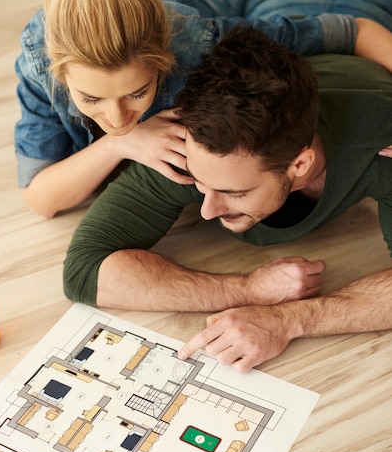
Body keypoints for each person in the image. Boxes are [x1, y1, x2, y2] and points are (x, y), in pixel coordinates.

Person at [63, 25, 392, 372]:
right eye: (202, 185)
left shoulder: (382, 145)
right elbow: (84, 272)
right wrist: (248, 289)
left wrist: (290, 320)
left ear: (300, 163)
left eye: (235, 193)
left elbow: (356, 30)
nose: (207, 211)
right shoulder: (187, 146)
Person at [15, 0, 392, 219]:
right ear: (59, 71)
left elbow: (355, 30)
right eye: (91, 98)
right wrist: (120, 144)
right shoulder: (39, 59)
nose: (117, 117)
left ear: (165, 57)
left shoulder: (202, 41)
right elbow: (40, 198)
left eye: (136, 93)